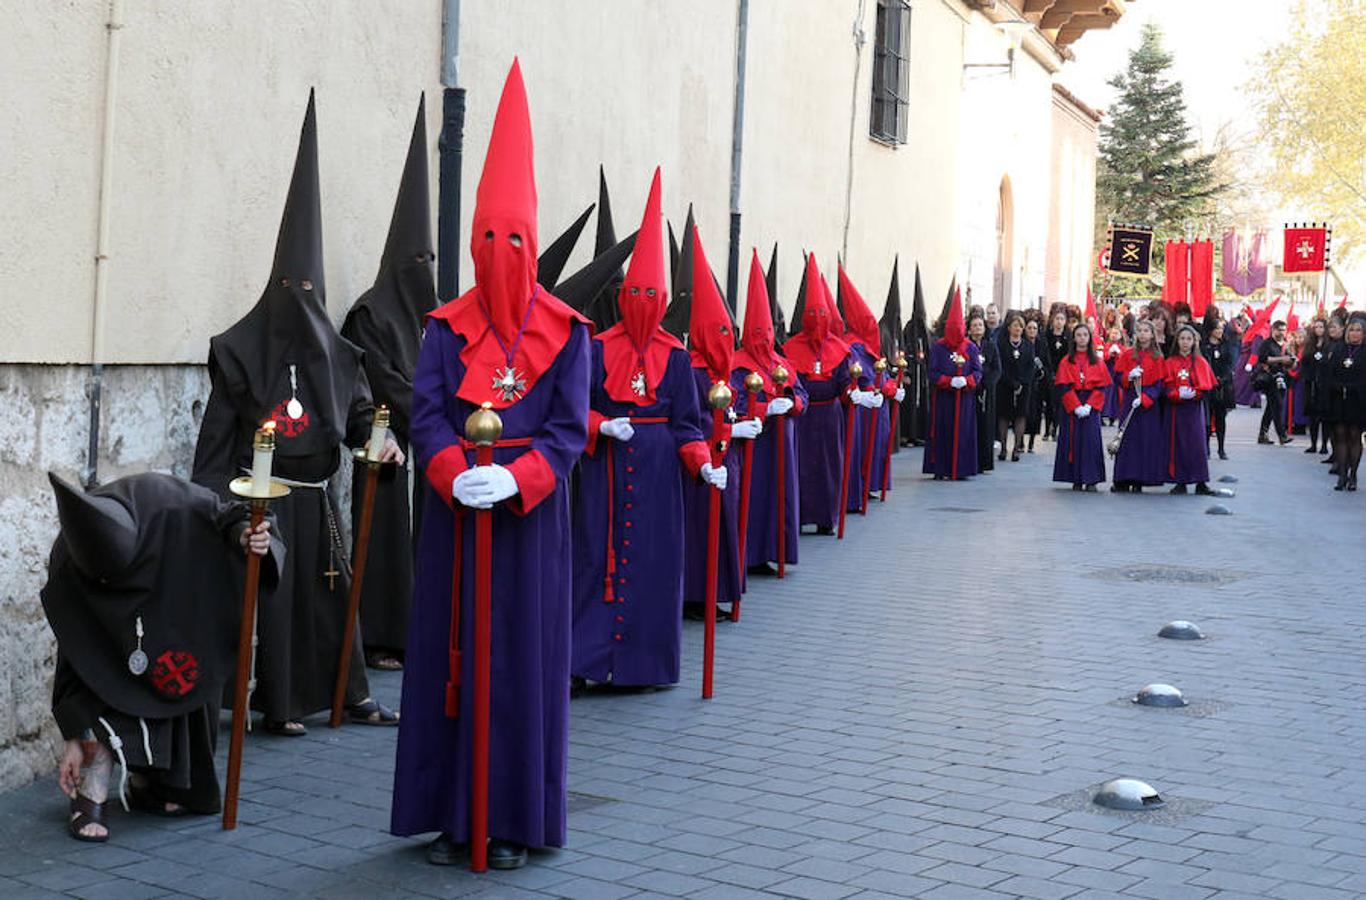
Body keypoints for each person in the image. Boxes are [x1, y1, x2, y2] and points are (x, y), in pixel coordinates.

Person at [390, 60, 592, 870]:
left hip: (526, 527)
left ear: (532, 240)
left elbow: (570, 429)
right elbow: (427, 412)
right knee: (452, 658)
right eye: (486, 237)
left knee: (517, 663)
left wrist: (515, 478)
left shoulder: (568, 331)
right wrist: (449, 472)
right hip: (452, 523)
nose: (498, 252)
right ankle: (450, 815)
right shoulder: (445, 327)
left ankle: (512, 820)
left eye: (513, 238)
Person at [192, 93, 401, 736]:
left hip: (318, 496)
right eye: (294, 290)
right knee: (279, 605)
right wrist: (226, 510)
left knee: (335, 600)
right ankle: (277, 703)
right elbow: (215, 446)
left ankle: (351, 692)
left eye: (312, 291)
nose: (303, 302)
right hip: (265, 499)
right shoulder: (238, 353)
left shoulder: (339, 356)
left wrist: (381, 441)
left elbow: (363, 412)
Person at [44, 472, 278, 842]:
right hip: (111, 631)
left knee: (178, 672)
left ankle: (157, 783)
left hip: (176, 603)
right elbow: (76, 647)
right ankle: (93, 784)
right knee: (101, 673)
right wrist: (74, 733)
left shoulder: (176, 504)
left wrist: (247, 536)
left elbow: (233, 516)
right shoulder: (69, 554)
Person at [572, 170, 714, 687]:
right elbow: (572, 410)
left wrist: (704, 465)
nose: (644, 301)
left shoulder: (675, 357)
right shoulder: (597, 347)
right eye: (638, 291)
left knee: (653, 565)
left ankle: (644, 666)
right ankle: (588, 661)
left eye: (654, 293)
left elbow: (688, 424)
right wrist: (601, 427)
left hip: (657, 477)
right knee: (596, 560)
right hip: (605, 470)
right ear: (624, 293)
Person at [339, 96, 435, 671]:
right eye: (416, 257)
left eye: (430, 257)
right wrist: (435, 406)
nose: (424, 266)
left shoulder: (432, 315)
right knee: (385, 549)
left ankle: (416, 625)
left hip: (423, 438)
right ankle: (380, 637)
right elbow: (380, 378)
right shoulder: (371, 313)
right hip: (384, 445)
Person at [680, 225, 743, 609]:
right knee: (699, 531)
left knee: (723, 527)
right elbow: (692, 416)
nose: (724, 339)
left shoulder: (726, 371)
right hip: (699, 464)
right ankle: (696, 596)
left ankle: (718, 592)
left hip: (725, 459)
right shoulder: (692, 369)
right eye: (717, 331)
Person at [732, 250, 805, 574]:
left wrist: (791, 403)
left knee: (778, 498)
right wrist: (763, 410)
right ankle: (748, 554)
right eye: (757, 333)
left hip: (781, 444)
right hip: (755, 445)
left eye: (768, 332)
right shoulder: (737, 365)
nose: (764, 339)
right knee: (754, 497)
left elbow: (799, 391)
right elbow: (732, 404)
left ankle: (772, 552)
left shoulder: (782, 364)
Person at [784, 255, 852, 533]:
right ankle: (800, 516)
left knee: (829, 466)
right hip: (804, 416)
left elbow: (845, 380)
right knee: (801, 466)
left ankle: (827, 518)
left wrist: (851, 392)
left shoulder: (840, 349)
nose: (817, 321)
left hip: (829, 415)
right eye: (812, 315)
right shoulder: (791, 348)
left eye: (822, 315)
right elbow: (791, 379)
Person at [923, 290, 981, 480]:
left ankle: (961, 468)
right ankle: (940, 467)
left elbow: (977, 371)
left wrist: (967, 381)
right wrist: (948, 381)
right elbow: (932, 373)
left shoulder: (970, 348)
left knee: (962, 431)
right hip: (943, 399)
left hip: (964, 399)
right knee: (942, 431)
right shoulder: (938, 347)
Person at [1051, 321, 1109, 492]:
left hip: (1091, 403)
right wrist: (1075, 406)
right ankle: (1076, 477)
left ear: (1090, 338)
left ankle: (1091, 479)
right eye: (1078, 335)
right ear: (1074, 339)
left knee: (1091, 441)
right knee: (1073, 440)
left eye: (1085, 335)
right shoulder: (1066, 361)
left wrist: (1090, 406)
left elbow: (1101, 387)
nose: (1082, 338)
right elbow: (1064, 387)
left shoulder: (1097, 361)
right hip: (1073, 404)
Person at [1111, 320, 1165, 493]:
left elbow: (1159, 384)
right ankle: (1123, 478)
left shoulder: (1158, 357)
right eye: (1140, 330)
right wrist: (1128, 376)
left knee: (1145, 441)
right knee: (1127, 439)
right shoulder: (1127, 355)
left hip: (1148, 405)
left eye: (1146, 331)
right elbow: (1118, 377)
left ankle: (1141, 478)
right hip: (1130, 401)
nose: (1142, 334)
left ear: (1152, 334)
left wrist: (1146, 398)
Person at [1163, 324, 1216, 495]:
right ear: (1177, 341)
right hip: (1176, 410)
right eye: (1182, 339)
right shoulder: (1170, 362)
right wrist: (1176, 394)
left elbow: (1206, 386)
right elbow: (1166, 385)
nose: (1185, 342)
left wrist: (1194, 393)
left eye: (1189, 339)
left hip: (1194, 409)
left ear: (1194, 342)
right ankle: (1181, 481)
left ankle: (1201, 481)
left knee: (1197, 444)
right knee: (1179, 444)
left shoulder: (1200, 362)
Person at [1325, 315, 1366, 491]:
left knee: (1354, 437)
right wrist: (1337, 386)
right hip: (1338, 399)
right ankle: (1342, 475)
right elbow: (1330, 372)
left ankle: (1353, 475)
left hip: (1358, 400)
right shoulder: (1339, 349)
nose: (1355, 334)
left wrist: (1353, 387)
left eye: (1359, 330)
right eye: (1352, 330)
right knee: (1340, 436)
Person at [899, 266, 932, 447]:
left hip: (923, 374)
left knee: (922, 404)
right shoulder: (909, 328)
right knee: (910, 404)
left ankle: (920, 433)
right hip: (912, 373)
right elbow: (904, 351)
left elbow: (928, 351)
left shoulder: (925, 331)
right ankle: (908, 434)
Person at [994, 311, 1033, 462]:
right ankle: (1003, 448)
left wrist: (1022, 382)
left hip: (1023, 387)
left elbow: (1030, 366)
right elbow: (999, 365)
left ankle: (1016, 448)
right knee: (1004, 416)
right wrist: (1010, 382)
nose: (1018, 328)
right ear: (1009, 327)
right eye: (1015, 325)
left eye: (1020, 326)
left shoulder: (1028, 346)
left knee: (1020, 416)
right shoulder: (1001, 344)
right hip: (1005, 385)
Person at [1253, 320, 1295, 444]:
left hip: (1282, 378)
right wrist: (1282, 359)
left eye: (1283, 330)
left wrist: (1292, 361)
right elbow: (1263, 359)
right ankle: (1282, 435)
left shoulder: (1286, 345)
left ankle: (1263, 434)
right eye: (1279, 329)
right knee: (1277, 406)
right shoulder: (1267, 344)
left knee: (1271, 408)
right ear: (1273, 329)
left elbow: (1290, 361)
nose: (1281, 332)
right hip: (1270, 378)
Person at [969, 311, 999, 473]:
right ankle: (971, 460)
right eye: (974, 325)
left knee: (986, 426)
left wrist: (988, 382)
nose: (977, 328)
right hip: (971, 390)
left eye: (980, 325)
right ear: (970, 328)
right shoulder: (967, 346)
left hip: (988, 391)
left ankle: (984, 462)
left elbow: (997, 369)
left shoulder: (990, 346)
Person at [1202, 319, 1235, 461]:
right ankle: (1206, 448)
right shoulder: (1204, 346)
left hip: (1222, 385)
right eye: (1216, 328)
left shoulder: (1226, 345)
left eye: (1221, 328)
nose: (1219, 331)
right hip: (1207, 384)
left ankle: (1221, 449)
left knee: (1221, 418)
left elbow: (1229, 364)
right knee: (1207, 419)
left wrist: (1223, 378)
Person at [1041, 305, 1069, 440]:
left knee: (1058, 403)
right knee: (1049, 403)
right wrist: (1049, 371)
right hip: (1049, 372)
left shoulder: (1068, 337)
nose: (1059, 321)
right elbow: (1045, 355)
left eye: (1061, 319)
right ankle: (1046, 429)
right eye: (1057, 318)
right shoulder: (1047, 336)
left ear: (1065, 321)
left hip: (1063, 374)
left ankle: (1055, 429)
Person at [1301, 318, 1328, 454]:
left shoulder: (1329, 345)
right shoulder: (1310, 344)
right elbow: (1304, 362)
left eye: (1321, 327)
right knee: (1313, 416)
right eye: (1316, 327)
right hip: (1311, 383)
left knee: (1324, 416)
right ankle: (1313, 444)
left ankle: (1324, 445)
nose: (1319, 329)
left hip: (1324, 384)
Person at [1024, 314, 1046, 452]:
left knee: (1035, 413)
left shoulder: (1041, 344)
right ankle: (1020, 442)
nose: (1032, 330)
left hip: (1037, 384)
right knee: (1022, 414)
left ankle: (1031, 442)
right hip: (1024, 383)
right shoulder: (1022, 343)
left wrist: (1042, 368)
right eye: (1029, 328)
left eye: (1035, 328)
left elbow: (1046, 363)